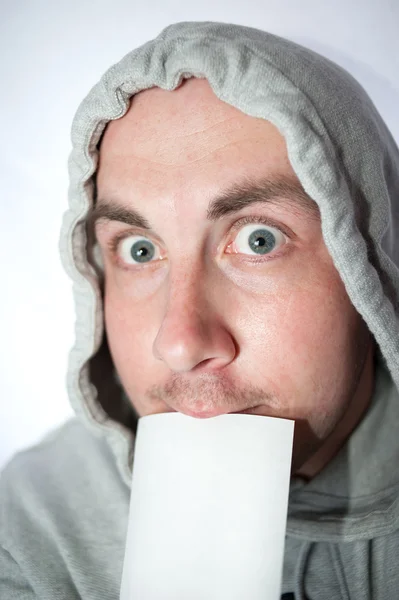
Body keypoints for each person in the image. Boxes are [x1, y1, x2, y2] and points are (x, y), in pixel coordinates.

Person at [1, 20, 399, 600]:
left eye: (260, 239)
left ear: (371, 265)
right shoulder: (28, 530)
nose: (181, 343)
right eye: (140, 250)